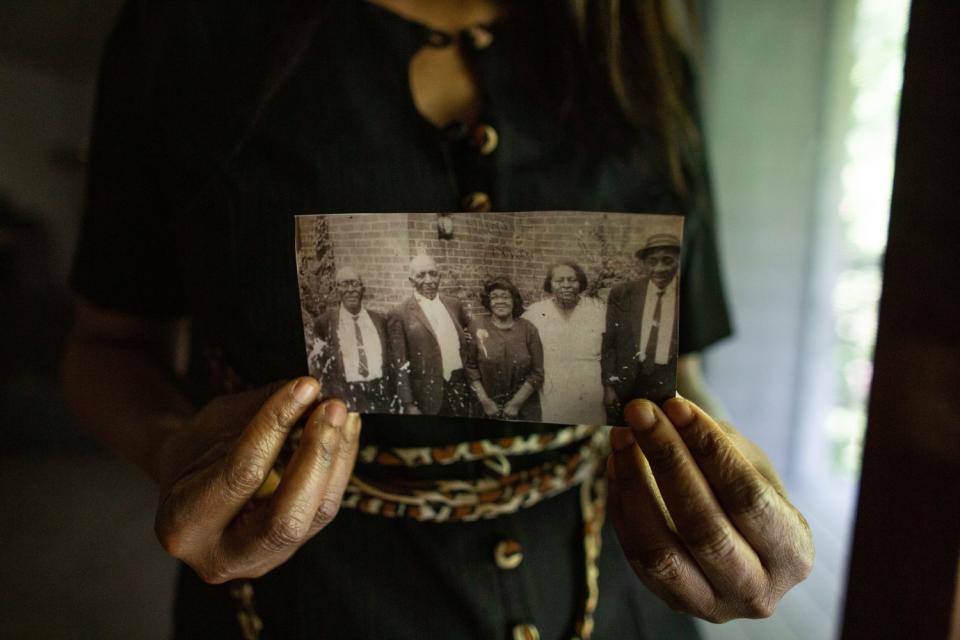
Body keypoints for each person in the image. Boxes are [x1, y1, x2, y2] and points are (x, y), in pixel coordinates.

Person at [62, 1, 814, 638]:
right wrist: (170, 451)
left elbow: (674, 375)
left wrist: (736, 503)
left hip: (609, 596)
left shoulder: (637, 39)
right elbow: (108, 346)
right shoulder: (187, 30)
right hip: (305, 601)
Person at [602, 234, 682, 423]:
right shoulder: (624, 293)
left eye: (667, 261)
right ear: (644, 264)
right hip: (627, 383)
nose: (659, 268)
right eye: (652, 261)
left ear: (678, 261)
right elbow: (609, 343)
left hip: (666, 388)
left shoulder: (684, 295)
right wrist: (609, 388)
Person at [523, 261, 608, 425]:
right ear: (550, 284)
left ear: (580, 283)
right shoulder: (535, 312)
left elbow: (610, 347)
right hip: (554, 386)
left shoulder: (597, 310)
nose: (566, 285)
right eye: (559, 281)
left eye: (572, 280)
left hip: (589, 385)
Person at [387, 254, 471, 417]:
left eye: (433, 273)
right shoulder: (399, 314)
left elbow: (468, 337)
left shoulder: (454, 305)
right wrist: (409, 404)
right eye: (421, 275)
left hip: (459, 389)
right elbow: (400, 363)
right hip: (426, 397)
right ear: (411, 280)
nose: (429, 280)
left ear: (439, 276)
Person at [311, 266, 393, 413]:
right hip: (346, 397)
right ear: (337, 290)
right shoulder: (324, 323)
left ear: (363, 289)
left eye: (355, 284)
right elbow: (320, 367)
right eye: (344, 284)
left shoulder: (379, 320)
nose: (350, 290)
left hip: (379, 395)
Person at [466, 277, 544, 421]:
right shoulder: (477, 326)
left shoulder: (528, 329)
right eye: (494, 297)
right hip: (487, 409)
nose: (500, 301)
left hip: (524, 409)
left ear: (514, 301)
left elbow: (537, 373)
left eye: (505, 297)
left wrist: (516, 404)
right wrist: (485, 401)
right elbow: (470, 368)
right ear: (488, 302)